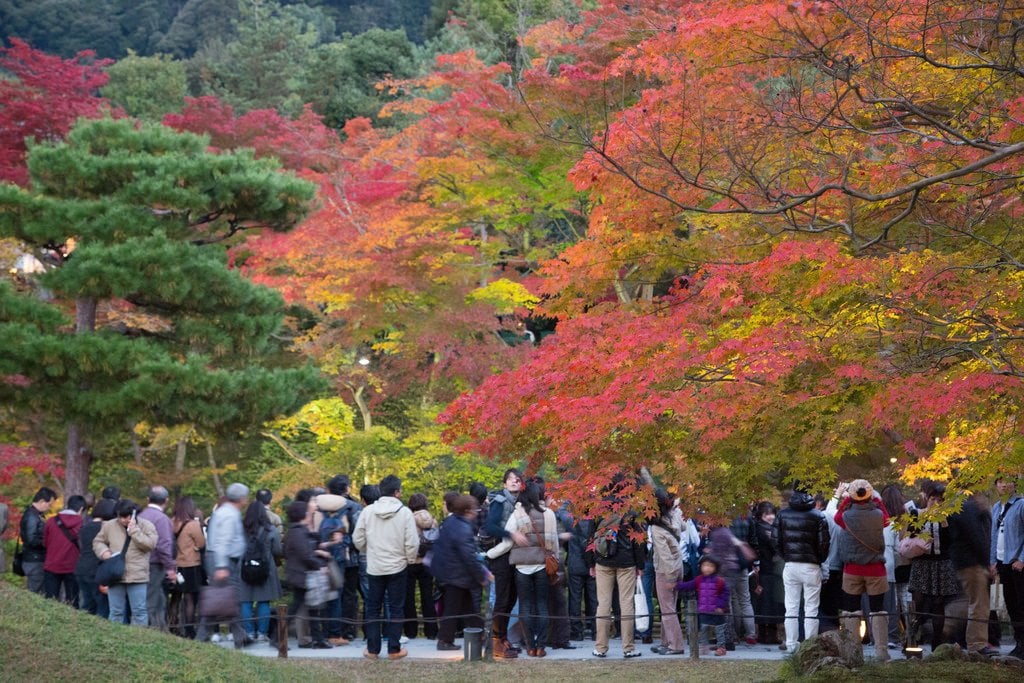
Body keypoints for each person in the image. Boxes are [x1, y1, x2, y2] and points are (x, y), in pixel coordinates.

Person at [353, 474, 419, 661]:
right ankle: (394, 649)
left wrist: (370, 549)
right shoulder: (404, 512)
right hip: (398, 565)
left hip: (374, 566)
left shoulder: (368, 512)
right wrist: (409, 558)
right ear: (397, 492)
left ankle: (372, 649)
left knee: (373, 608)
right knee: (396, 608)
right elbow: (412, 542)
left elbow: (357, 539)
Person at [489, 480, 557, 657]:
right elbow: (554, 543)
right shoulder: (549, 514)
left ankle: (530, 647)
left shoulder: (517, 514)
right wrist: (554, 559)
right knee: (542, 605)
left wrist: (489, 553)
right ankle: (541, 647)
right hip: (542, 565)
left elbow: (507, 543)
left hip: (521, 567)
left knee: (525, 606)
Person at [588, 482, 647, 659]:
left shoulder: (598, 509)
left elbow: (590, 538)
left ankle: (600, 647)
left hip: (603, 561)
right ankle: (628, 647)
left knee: (603, 604)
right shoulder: (631, 509)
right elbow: (638, 541)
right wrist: (640, 565)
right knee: (626, 604)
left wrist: (591, 563)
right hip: (627, 562)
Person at [834, 479, 891, 662]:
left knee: (851, 612)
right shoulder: (877, 515)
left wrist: (846, 499)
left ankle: (853, 653)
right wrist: (877, 499)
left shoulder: (846, 516)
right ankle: (882, 652)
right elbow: (887, 519)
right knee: (877, 611)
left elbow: (836, 517)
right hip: (876, 569)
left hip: (852, 569)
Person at [431, 494, 491, 651]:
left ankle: (480, 636)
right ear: (467, 511)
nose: (476, 512)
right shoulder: (463, 528)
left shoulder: (451, 522)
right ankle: (445, 640)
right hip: (457, 575)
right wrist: (481, 576)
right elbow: (469, 556)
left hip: (448, 572)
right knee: (454, 609)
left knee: (468, 608)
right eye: (473, 510)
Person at [774, 487, 831, 653]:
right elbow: (824, 544)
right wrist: (818, 560)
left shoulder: (783, 514)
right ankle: (810, 645)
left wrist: (786, 556)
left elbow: (776, 540)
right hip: (811, 565)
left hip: (791, 564)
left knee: (791, 606)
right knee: (811, 607)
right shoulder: (818, 515)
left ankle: (791, 645)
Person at [196, 483, 251, 648]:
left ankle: (241, 636)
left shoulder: (223, 511)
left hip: (221, 560)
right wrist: (221, 566)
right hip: (224, 561)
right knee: (221, 599)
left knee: (227, 598)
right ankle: (201, 636)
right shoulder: (229, 514)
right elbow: (222, 541)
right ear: (241, 498)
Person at [482, 468, 528, 659]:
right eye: (510, 480)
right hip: (500, 555)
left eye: (517, 480)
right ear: (504, 484)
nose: (514, 482)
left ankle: (502, 637)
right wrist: (511, 534)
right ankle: (495, 641)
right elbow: (490, 526)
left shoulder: (522, 501)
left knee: (510, 598)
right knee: (502, 599)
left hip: (515, 555)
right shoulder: (500, 501)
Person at [94, 499, 158, 626]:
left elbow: (150, 545)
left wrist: (134, 531)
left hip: (138, 575)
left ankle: (138, 639)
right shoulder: (109, 525)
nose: (123, 520)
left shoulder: (146, 525)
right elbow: (98, 541)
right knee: (116, 611)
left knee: (139, 611)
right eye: (120, 516)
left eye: (126, 516)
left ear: (134, 514)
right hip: (115, 574)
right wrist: (104, 552)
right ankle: (115, 638)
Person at [947, 491, 995, 655]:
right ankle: (977, 643)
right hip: (973, 562)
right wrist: (987, 561)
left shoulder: (959, 508)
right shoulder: (969, 509)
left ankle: (949, 622)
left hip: (963, 561)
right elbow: (977, 537)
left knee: (970, 600)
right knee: (979, 603)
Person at [284, 499, 331, 649]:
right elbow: (305, 554)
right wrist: (319, 566)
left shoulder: (298, 531)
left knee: (311, 607)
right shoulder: (297, 532)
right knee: (300, 607)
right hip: (300, 574)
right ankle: (277, 636)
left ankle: (318, 638)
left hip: (303, 573)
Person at [239, 500, 283, 643]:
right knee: (264, 601)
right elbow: (277, 550)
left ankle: (249, 632)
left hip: (245, 567)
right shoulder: (271, 530)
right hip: (266, 568)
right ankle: (262, 633)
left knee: (245, 601)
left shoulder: (241, 529)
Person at [326, 475, 363, 642]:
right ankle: (349, 629)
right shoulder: (354, 507)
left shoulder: (322, 506)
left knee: (333, 593)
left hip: (327, 555)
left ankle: (333, 629)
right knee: (350, 593)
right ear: (347, 488)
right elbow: (359, 533)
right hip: (352, 557)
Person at [991, 475, 1024, 658]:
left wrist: (1022, 558)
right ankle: (1019, 642)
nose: (1004, 484)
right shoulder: (996, 507)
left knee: (1021, 604)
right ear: (996, 485)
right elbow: (994, 537)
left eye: (1008, 481)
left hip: (1017, 563)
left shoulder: (1021, 504)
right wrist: (992, 560)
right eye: (1000, 481)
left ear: (1015, 484)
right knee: (1010, 604)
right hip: (1002, 563)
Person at [650, 489, 686, 655]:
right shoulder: (674, 516)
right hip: (679, 566)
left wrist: (670, 576)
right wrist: (677, 510)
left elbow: (664, 555)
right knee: (668, 607)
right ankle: (666, 642)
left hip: (666, 570)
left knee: (668, 609)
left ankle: (676, 645)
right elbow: (684, 527)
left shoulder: (657, 528)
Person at [138, 485, 176, 630]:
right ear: (166, 500)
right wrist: (170, 568)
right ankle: (148, 631)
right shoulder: (162, 519)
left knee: (158, 599)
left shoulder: (140, 516)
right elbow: (164, 545)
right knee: (152, 600)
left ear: (148, 499)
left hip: (140, 562)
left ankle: (160, 629)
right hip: (155, 564)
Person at [676, 555, 731, 656]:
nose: (707, 568)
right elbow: (688, 585)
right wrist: (677, 585)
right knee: (703, 629)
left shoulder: (720, 581)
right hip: (704, 610)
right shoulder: (699, 579)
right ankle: (704, 646)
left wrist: (720, 606)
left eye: (711, 566)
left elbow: (725, 594)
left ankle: (721, 647)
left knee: (719, 630)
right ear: (700, 567)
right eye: (705, 565)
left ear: (715, 568)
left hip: (717, 611)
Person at [168, 496, 205, 639]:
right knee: (190, 598)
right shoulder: (192, 525)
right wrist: (194, 547)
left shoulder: (171, 522)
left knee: (175, 597)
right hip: (190, 564)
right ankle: (189, 629)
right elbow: (201, 543)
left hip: (175, 565)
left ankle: (172, 625)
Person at [404, 493, 439, 640]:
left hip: (411, 561)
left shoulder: (407, 519)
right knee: (428, 597)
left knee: (409, 598)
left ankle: (410, 631)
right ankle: (431, 631)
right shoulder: (433, 520)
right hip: (427, 562)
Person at [42, 494, 86, 604]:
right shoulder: (81, 523)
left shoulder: (51, 521)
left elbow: (45, 543)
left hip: (52, 564)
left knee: (50, 602)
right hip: (73, 566)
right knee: (72, 602)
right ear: (81, 509)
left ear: (67, 505)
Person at [75, 498, 114, 617]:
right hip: (98, 570)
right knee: (102, 605)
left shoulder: (84, 527)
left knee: (87, 604)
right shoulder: (107, 528)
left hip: (81, 568)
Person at [751, 501, 783, 644]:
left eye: (771, 513)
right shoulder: (764, 529)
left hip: (765, 569)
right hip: (767, 569)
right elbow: (775, 545)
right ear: (760, 515)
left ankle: (765, 633)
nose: (770, 516)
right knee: (768, 603)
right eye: (766, 514)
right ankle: (769, 634)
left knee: (764, 602)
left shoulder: (761, 527)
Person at [20, 487, 57, 593]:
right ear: (41, 501)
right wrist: (48, 542)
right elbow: (31, 540)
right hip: (34, 559)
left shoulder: (36, 515)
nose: (49, 507)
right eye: (49, 504)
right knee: (35, 592)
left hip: (36, 558)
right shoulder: (32, 516)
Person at [567, 514, 598, 641]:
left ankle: (577, 631)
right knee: (593, 598)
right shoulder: (595, 521)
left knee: (575, 598)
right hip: (592, 564)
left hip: (575, 563)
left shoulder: (571, 520)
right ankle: (595, 631)